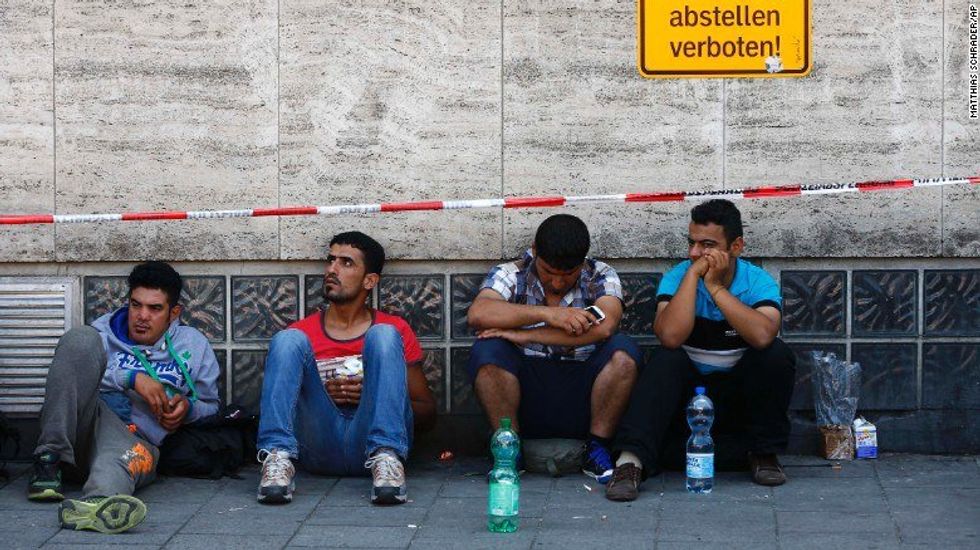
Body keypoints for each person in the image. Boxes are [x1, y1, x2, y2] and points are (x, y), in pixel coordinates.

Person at [605, 199, 796, 502]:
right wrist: (693, 278)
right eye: (692, 243)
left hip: (737, 403)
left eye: (707, 245)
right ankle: (630, 463)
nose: (695, 253)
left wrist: (717, 289)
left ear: (736, 246)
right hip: (689, 405)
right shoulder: (679, 276)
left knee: (776, 355)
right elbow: (669, 336)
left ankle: (763, 454)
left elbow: (763, 335)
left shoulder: (757, 281)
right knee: (665, 359)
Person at [28, 261, 221, 533]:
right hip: (81, 434)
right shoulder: (101, 336)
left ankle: (96, 506)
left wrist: (188, 409)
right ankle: (49, 459)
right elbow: (71, 373)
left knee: (121, 458)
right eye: (136, 305)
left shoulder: (194, 344)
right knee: (79, 338)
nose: (142, 316)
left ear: (174, 312)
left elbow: (211, 406)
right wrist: (131, 378)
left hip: (136, 442)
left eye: (155, 308)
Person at [255, 231, 436, 505]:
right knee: (287, 339)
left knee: (384, 334)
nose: (332, 269)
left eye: (346, 263)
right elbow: (279, 405)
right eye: (331, 260)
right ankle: (277, 458)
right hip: (317, 445)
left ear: (369, 281)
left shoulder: (395, 331)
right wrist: (322, 393)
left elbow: (427, 413)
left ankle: (387, 458)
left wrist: (375, 395)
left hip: (373, 447)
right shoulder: (302, 333)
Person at [466, 214, 642, 483]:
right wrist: (548, 314)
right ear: (534, 251)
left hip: (584, 392)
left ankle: (597, 447)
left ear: (582, 262)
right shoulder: (511, 272)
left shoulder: (600, 274)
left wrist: (525, 335)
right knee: (488, 351)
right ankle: (509, 450)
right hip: (526, 393)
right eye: (549, 272)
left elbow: (605, 326)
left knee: (624, 353)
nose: (558, 283)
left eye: (568, 274)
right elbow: (479, 313)